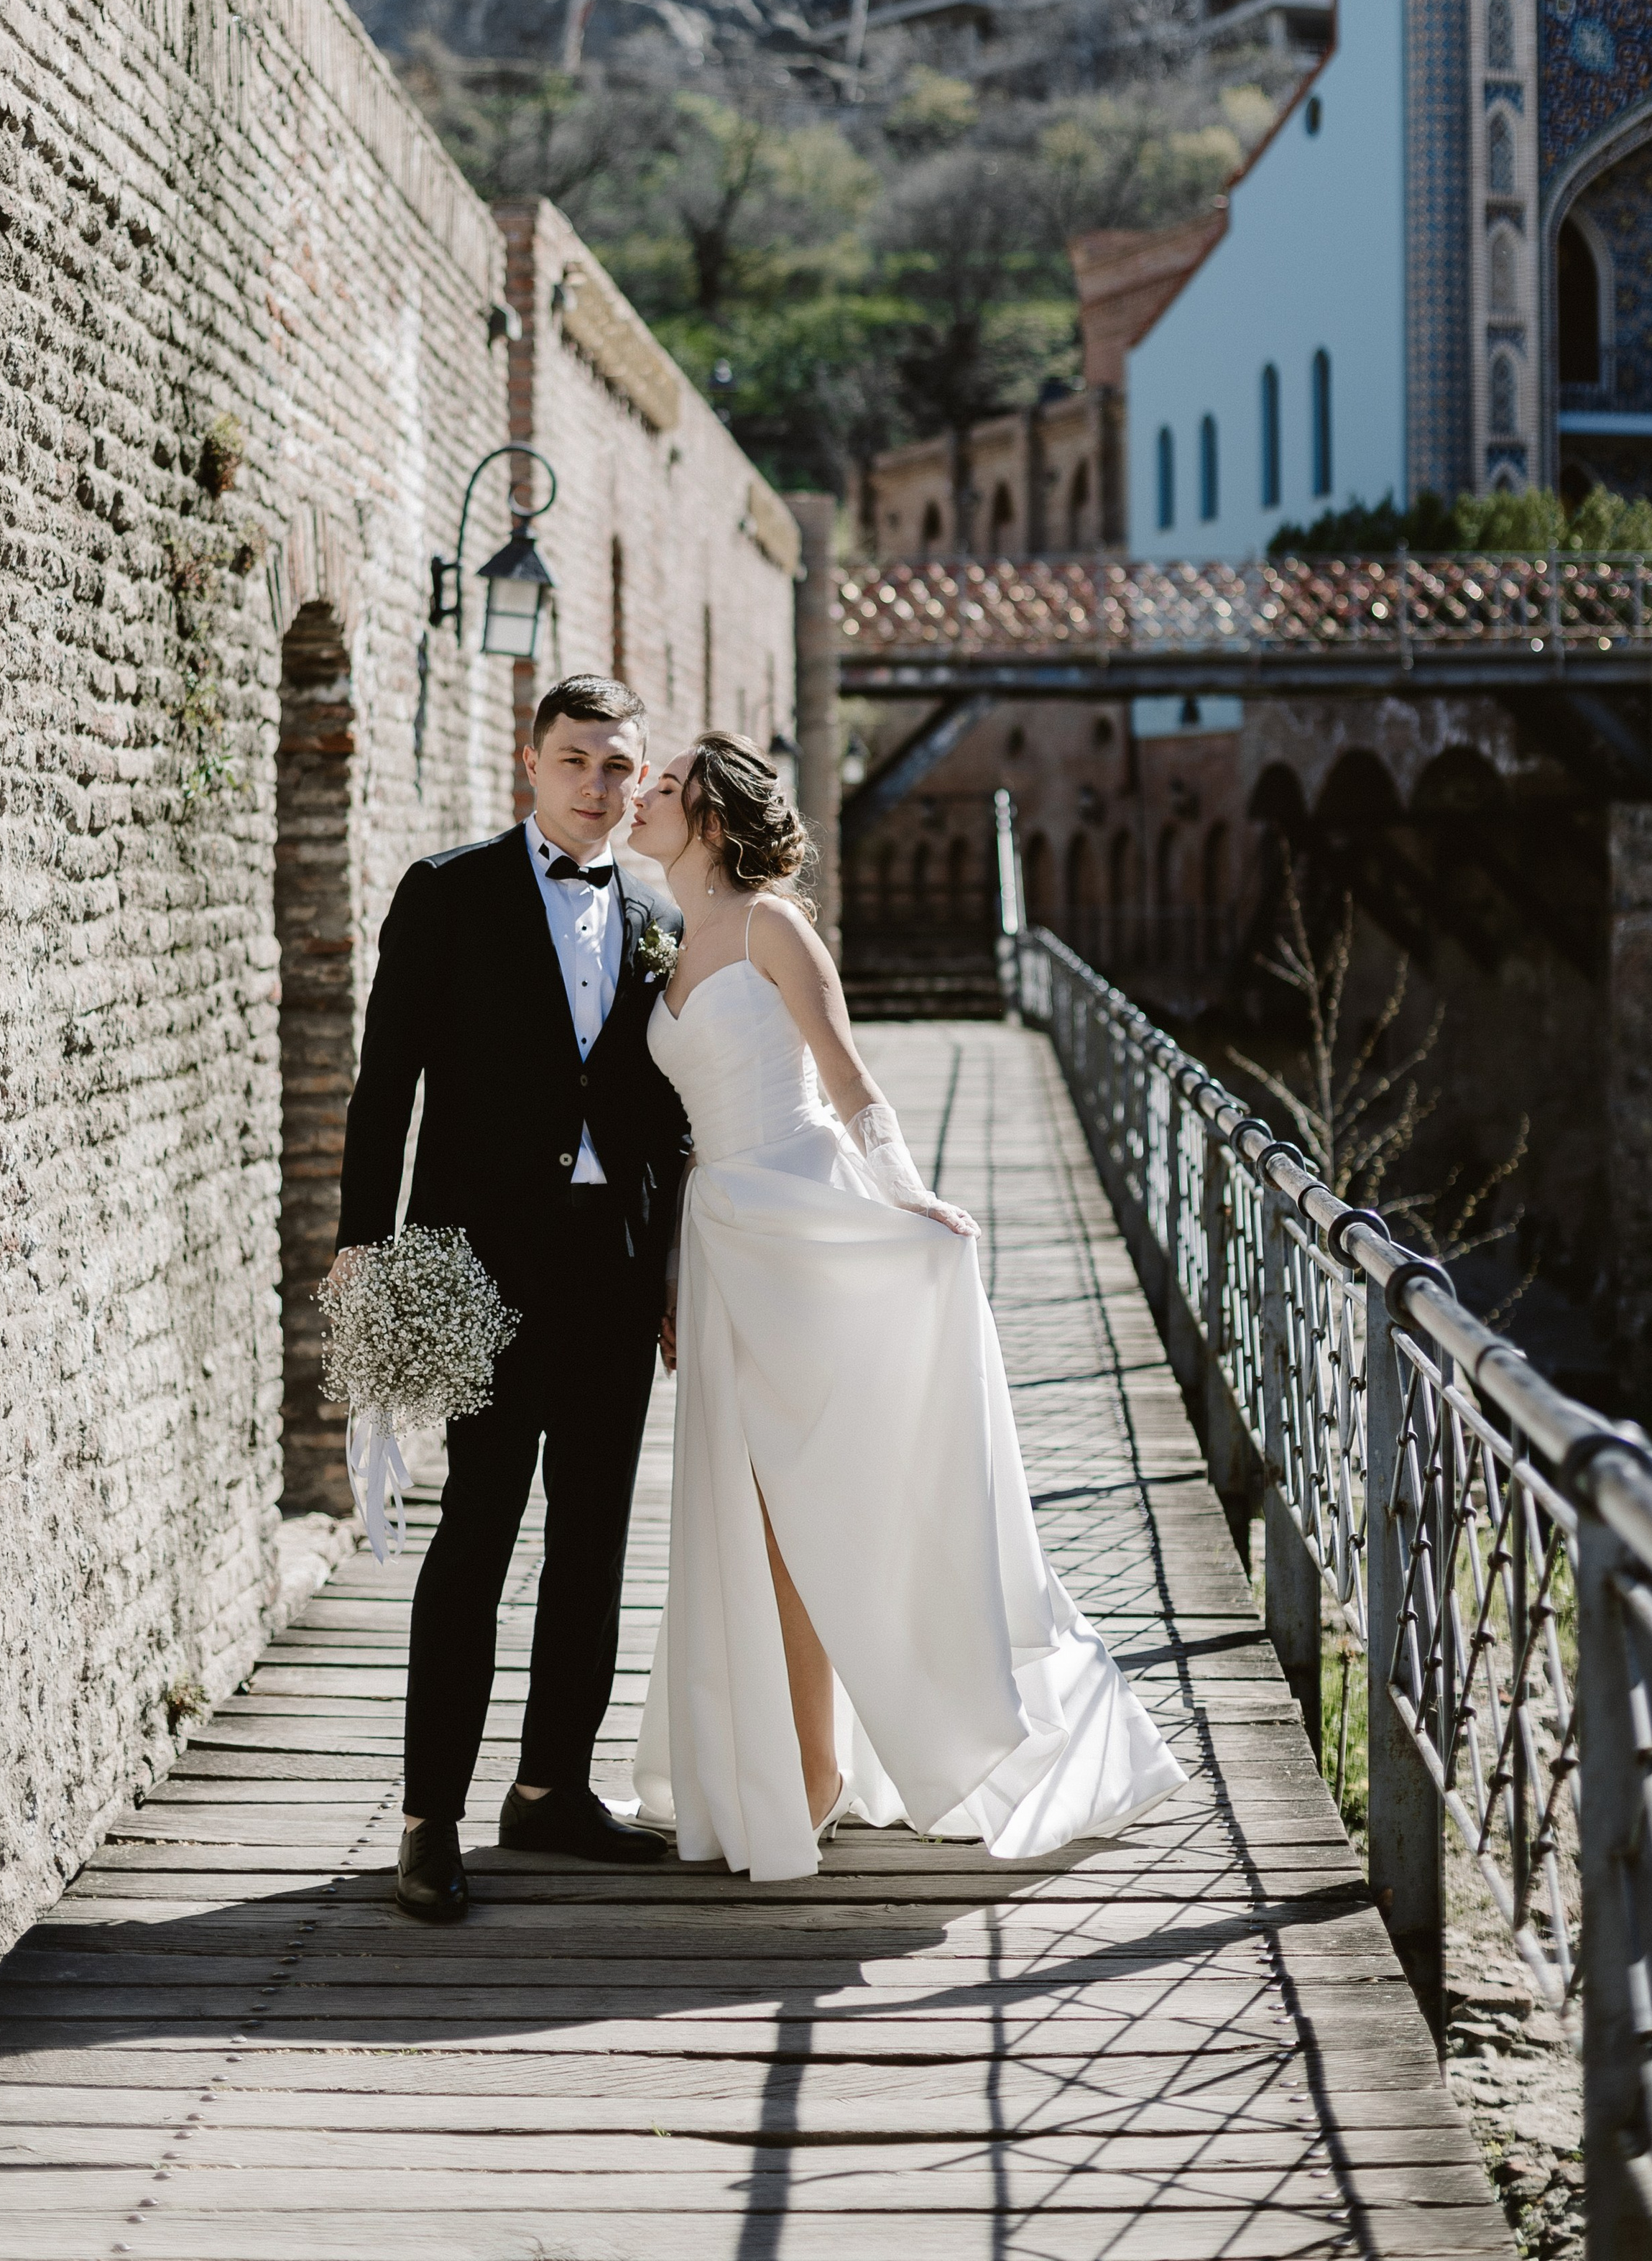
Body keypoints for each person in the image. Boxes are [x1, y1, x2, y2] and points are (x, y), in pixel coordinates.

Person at [627, 732, 1186, 1882]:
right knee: (758, 1517)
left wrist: (911, 1202)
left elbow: (845, 1076)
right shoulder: (671, 944)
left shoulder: (775, 926)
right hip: (725, 1245)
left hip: (812, 1230)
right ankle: (801, 1766)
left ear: (715, 821)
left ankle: (843, 1765)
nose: (642, 796)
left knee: (830, 1500)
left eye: (667, 786)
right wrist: (673, 1282)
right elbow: (682, 1137)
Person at [333, 676, 690, 1923]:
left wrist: (677, 1275)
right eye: (579, 759)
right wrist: (362, 1246)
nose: (600, 784)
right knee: (476, 1537)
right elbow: (386, 1085)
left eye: (621, 766)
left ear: (643, 783)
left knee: (592, 1547)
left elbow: (671, 1118)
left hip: (618, 1266)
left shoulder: (656, 911)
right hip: (481, 1271)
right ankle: (429, 1822)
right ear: (528, 763)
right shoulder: (446, 893)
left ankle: (552, 1791)